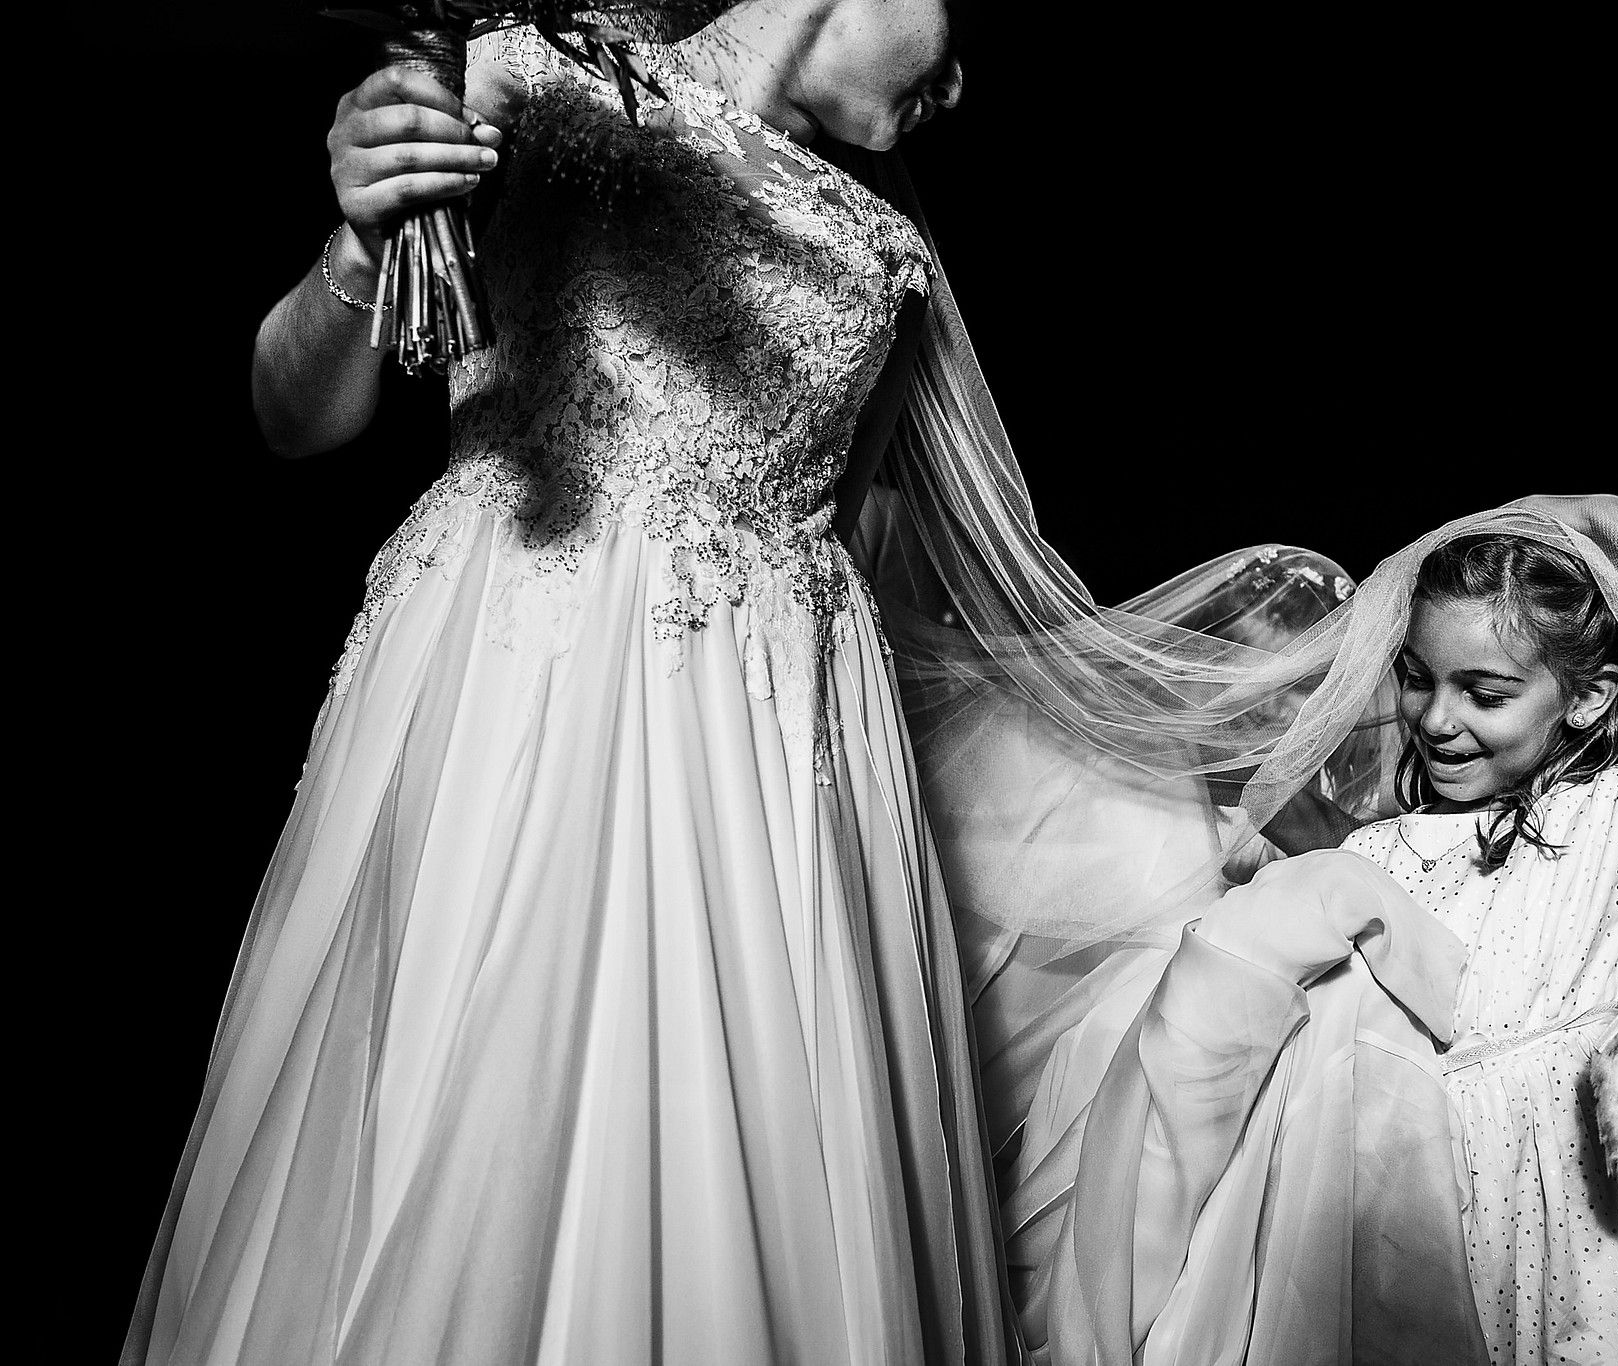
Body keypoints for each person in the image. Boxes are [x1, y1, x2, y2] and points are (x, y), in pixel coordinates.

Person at [125, 4, 1017, 1363]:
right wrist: (363, 234)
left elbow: (893, 546)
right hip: (516, 686)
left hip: (771, 776)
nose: (958, 78)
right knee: (471, 1107)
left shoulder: (883, 245)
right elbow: (293, 413)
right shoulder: (534, 89)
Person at [969, 499, 1618, 1364]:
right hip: (1408, 1213)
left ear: (1584, 699)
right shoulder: (1374, 854)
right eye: (1419, 680)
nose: (1437, 718)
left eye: (1487, 692)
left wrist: (1584, 515)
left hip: (1584, 1228)